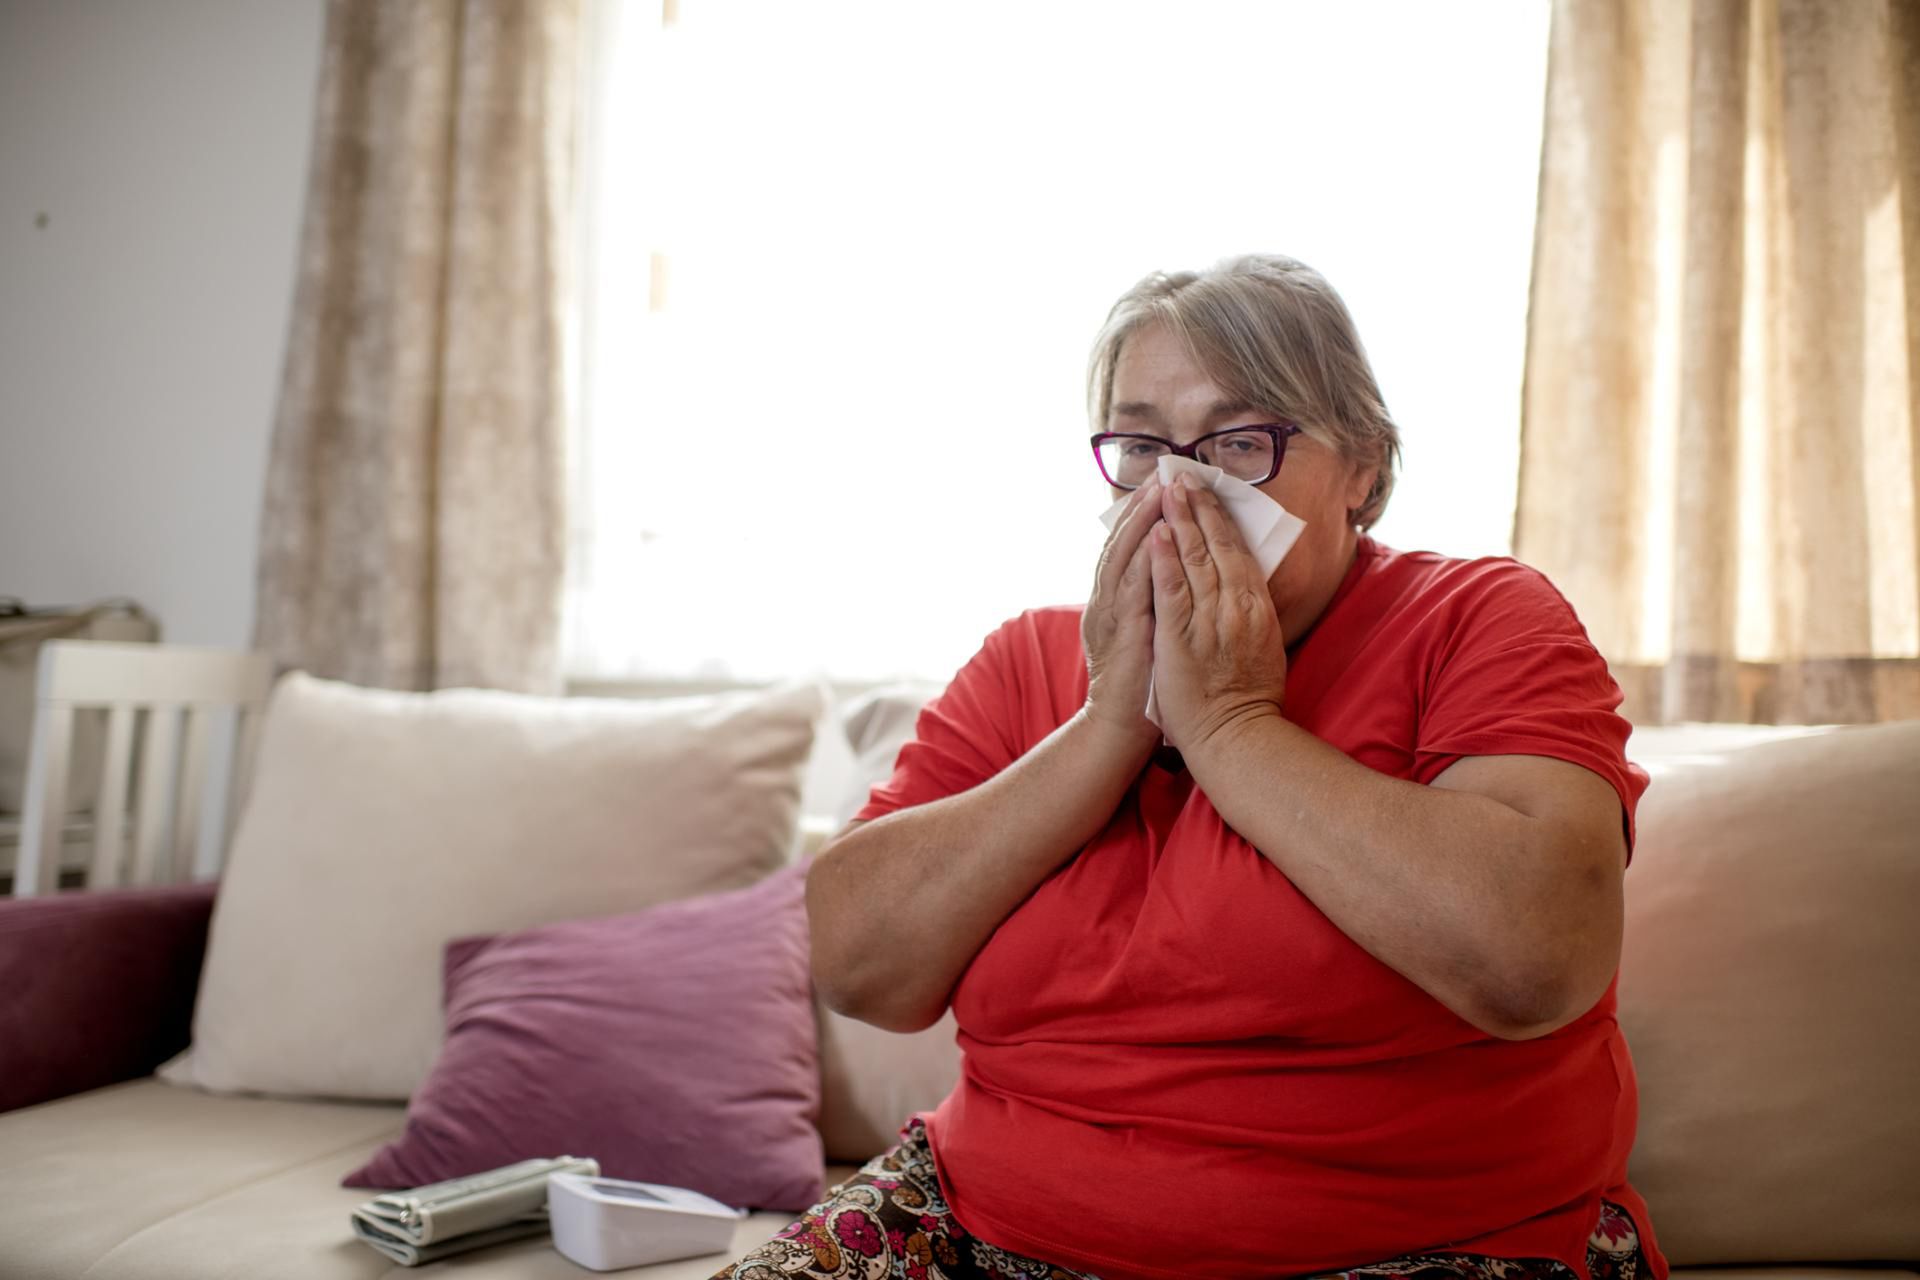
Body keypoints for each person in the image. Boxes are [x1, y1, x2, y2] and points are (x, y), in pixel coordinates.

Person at [717, 255, 1664, 1280]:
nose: (1180, 486)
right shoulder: (1032, 659)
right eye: (1141, 445)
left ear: (1365, 468)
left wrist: (1231, 726)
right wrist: (1107, 723)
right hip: (981, 1219)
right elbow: (858, 965)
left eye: (1239, 440)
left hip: (1422, 1241)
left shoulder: (1477, 618)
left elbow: (1535, 958)